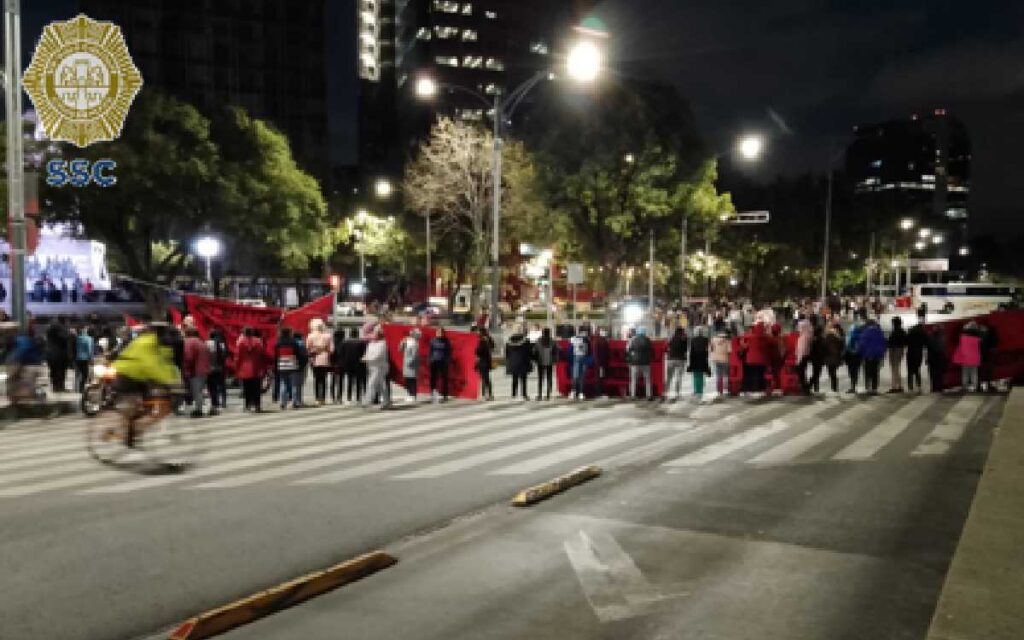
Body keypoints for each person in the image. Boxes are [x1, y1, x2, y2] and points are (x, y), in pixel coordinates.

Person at [109, 324, 181, 446]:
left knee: (146, 407)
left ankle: (131, 430)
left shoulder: (154, 343)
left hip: (137, 376)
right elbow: (151, 366)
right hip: (128, 375)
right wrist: (170, 383)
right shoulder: (148, 343)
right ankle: (126, 432)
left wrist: (172, 381)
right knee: (134, 405)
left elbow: (165, 366)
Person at [182, 327, 210, 417]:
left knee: (196, 391)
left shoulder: (189, 342)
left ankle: (199, 410)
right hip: (204, 370)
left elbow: (188, 357)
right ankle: (200, 407)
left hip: (195, 370)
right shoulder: (201, 342)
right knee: (200, 391)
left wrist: (186, 368)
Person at [306, 319, 333, 406]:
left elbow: (307, 348)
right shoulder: (328, 336)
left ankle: (317, 398)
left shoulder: (310, 336)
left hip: (314, 360)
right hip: (325, 359)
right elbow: (331, 350)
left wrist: (314, 349)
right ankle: (323, 398)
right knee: (323, 379)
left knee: (316, 380)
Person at [362, 326, 391, 409]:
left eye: (375, 333)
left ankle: (368, 401)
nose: (373, 335)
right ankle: (386, 401)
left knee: (371, 383)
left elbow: (378, 355)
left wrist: (367, 358)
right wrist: (365, 357)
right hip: (371, 366)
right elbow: (367, 353)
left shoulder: (382, 344)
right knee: (381, 385)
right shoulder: (371, 344)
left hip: (380, 367)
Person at [858, 318, 887, 394]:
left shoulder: (865, 333)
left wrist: (861, 353)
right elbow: (884, 343)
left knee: (867, 371)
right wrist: (882, 354)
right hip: (877, 355)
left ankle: (868, 387)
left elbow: (862, 344)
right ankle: (875, 388)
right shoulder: (880, 332)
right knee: (875, 372)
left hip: (868, 355)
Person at [275, 327, 300, 409]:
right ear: (289, 333)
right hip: (292, 364)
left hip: (282, 365)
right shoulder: (293, 342)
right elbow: (298, 354)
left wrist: (276, 366)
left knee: (283, 383)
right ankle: (294, 402)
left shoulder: (278, 343)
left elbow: (276, 355)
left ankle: (282, 402)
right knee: (294, 385)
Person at [953, 322, 982, 393]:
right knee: (974, 373)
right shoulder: (978, 338)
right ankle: (974, 386)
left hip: (965, 357)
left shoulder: (962, 337)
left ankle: (965, 386)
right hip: (975, 358)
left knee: (965, 373)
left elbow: (958, 346)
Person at [340, 327, 367, 405]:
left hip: (348, 364)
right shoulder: (361, 342)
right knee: (359, 382)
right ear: (357, 334)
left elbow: (342, 354)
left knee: (350, 381)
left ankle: (349, 398)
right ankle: (358, 398)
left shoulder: (345, 342)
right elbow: (364, 353)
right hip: (359, 364)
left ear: (350, 334)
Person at [505, 326, 532, 401]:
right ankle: (524, 394)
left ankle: (513, 394)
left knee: (514, 378)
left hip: (513, 362)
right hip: (523, 362)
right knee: (523, 379)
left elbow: (507, 354)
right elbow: (529, 352)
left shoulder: (509, 341)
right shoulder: (526, 341)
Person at [626, 327, 654, 400]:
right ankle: (649, 395)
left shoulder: (633, 340)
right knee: (647, 380)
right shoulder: (648, 340)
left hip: (635, 363)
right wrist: (650, 359)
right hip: (646, 363)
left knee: (634, 380)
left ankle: (633, 395)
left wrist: (630, 360)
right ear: (644, 332)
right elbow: (651, 350)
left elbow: (629, 351)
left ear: (637, 332)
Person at [45, 316, 71, 393]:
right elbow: (66, 337)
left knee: (53, 371)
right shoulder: (59, 327)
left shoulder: (50, 327)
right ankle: (60, 387)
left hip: (50, 352)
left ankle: (55, 387)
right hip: (59, 353)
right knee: (60, 371)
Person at [205, 329, 227, 413]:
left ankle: (215, 402)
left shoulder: (207, 343)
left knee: (212, 386)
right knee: (222, 385)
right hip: (220, 368)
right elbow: (224, 355)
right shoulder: (222, 344)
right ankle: (224, 401)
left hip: (210, 368)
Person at [533, 327, 557, 401]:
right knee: (549, 378)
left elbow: (535, 350)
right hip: (549, 361)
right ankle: (548, 395)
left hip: (540, 361)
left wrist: (535, 359)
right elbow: (555, 351)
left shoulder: (539, 340)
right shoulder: (552, 341)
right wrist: (554, 360)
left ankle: (539, 394)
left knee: (540, 379)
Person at [663, 327, 688, 400]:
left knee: (669, 377)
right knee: (678, 377)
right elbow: (685, 349)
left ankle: (665, 392)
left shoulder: (671, 338)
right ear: (682, 332)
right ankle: (677, 393)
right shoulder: (683, 339)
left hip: (671, 359)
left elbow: (666, 347)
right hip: (680, 360)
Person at [567, 328, 591, 400]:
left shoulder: (574, 339)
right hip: (584, 358)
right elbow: (589, 351)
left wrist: (570, 360)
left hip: (576, 358)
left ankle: (573, 392)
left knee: (575, 376)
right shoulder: (587, 340)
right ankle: (581, 393)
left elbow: (570, 350)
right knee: (581, 377)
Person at [429, 327, 452, 403]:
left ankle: (445, 395)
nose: (439, 334)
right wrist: (430, 360)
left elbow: (449, 352)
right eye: (438, 332)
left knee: (444, 378)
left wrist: (448, 361)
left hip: (443, 362)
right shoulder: (433, 341)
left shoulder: (447, 341)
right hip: (434, 362)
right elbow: (430, 351)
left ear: (443, 333)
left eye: (441, 332)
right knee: (433, 378)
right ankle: (433, 394)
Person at [688, 326, 711, 400]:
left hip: (695, 359)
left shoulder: (693, 340)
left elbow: (691, 351)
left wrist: (690, 362)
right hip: (703, 359)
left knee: (696, 376)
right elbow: (708, 350)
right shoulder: (706, 340)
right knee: (701, 375)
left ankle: (697, 391)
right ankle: (700, 391)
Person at [822, 321, 845, 394]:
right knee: (833, 372)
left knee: (831, 373)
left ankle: (834, 388)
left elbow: (824, 347)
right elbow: (842, 346)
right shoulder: (838, 336)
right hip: (836, 356)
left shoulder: (828, 337)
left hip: (830, 357)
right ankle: (834, 388)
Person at [399, 328, 421, 402]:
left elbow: (414, 355)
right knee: (407, 380)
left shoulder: (415, 343)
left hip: (412, 364)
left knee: (412, 380)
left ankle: (413, 395)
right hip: (406, 363)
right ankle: (409, 394)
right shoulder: (407, 342)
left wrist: (410, 362)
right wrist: (402, 342)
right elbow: (400, 350)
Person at [887, 317, 908, 393]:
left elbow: (890, 342)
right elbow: (906, 341)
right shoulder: (902, 331)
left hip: (894, 350)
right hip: (900, 350)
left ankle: (895, 386)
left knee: (894, 369)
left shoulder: (895, 332)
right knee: (896, 368)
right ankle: (898, 385)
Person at [905, 321, 927, 394]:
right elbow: (925, 343)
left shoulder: (910, 333)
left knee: (910, 372)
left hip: (910, 353)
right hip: (918, 354)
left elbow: (906, 342)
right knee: (917, 370)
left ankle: (910, 387)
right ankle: (919, 387)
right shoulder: (922, 334)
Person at [710, 328, 731, 397]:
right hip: (725, 359)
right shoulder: (727, 341)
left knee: (719, 375)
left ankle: (719, 390)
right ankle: (726, 389)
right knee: (726, 375)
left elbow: (711, 349)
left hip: (716, 360)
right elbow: (729, 351)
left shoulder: (713, 340)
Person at [794, 318, 814, 395]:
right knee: (802, 373)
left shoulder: (803, 337)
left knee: (801, 373)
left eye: (800, 327)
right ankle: (805, 389)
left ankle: (804, 389)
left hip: (802, 357)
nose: (798, 328)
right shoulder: (808, 335)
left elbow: (801, 349)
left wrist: (798, 360)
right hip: (805, 357)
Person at [845, 316, 864, 393]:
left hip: (851, 356)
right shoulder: (861, 336)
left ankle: (852, 387)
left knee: (851, 371)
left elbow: (847, 346)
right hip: (858, 356)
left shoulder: (850, 336)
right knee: (856, 371)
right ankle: (854, 385)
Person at [926, 325, 947, 393]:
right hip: (939, 358)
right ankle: (939, 387)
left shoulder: (930, 337)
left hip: (933, 358)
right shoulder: (942, 337)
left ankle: (934, 387)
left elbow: (929, 347)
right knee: (939, 374)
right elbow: (942, 348)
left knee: (933, 374)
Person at [978, 322, 999, 392]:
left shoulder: (980, 335)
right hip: (987, 355)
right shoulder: (990, 334)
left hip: (982, 355)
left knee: (982, 371)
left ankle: (980, 386)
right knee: (988, 371)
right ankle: (988, 385)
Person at [73, 326, 94, 394]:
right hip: (85, 358)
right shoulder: (89, 339)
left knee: (77, 373)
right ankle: (81, 388)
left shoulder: (77, 338)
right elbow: (90, 349)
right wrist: (91, 358)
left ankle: (76, 388)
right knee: (85, 374)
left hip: (77, 358)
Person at [476, 327, 495, 401]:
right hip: (485, 361)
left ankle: (488, 394)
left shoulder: (483, 341)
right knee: (484, 378)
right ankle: (485, 393)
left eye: (479, 332)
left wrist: (476, 349)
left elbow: (479, 351)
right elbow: (492, 346)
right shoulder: (487, 339)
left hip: (483, 361)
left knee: (485, 378)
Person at [330, 325, 347, 403]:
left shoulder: (332, 343)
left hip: (333, 364)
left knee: (333, 381)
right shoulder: (344, 343)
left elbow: (331, 354)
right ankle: (339, 397)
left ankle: (332, 397)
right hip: (342, 364)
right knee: (340, 381)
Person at [592, 327, 610, 397]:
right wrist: (598, 363)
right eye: (602, 331)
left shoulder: (603, 340)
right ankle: (598, 392)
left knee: (601, 377)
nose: (604, 332)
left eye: (604, 331)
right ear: (599, 332)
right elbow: (595, 352)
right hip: (599, 363)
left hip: (603, 362)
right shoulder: (597, 340)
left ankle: (601, 392)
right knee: (599, 378)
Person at [809, 324, 826, 394]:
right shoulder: (822, 339)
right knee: (817, 374)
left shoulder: (814, 339)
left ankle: (815, 387)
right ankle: (809, 386)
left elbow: (811, 350)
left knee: (815, 373)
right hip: (819, 359)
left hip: (815, 359)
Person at [293, 332, 309, 407]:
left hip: (292, 365)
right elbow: (305, 356)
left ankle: (294, 400)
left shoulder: (291, 343)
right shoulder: (301, 344)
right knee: (299, 385)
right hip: (301, 366)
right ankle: (299, 401)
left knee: (294, 384)